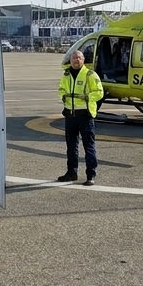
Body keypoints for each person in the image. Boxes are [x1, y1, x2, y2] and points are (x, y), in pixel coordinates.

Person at [57, 48, 104, 185]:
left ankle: (91, 175)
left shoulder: (90, 75)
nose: (76, 60)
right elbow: (61, 90)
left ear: (83, 60)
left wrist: (87, 98)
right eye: (74, 58)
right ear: (70, 61)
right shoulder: (66, 75)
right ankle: (72, 172)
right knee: (71, 146)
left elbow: (99, 92)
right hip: (70, 115)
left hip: (85, 115)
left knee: (88, 146)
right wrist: (64, 97)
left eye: (79, 58)